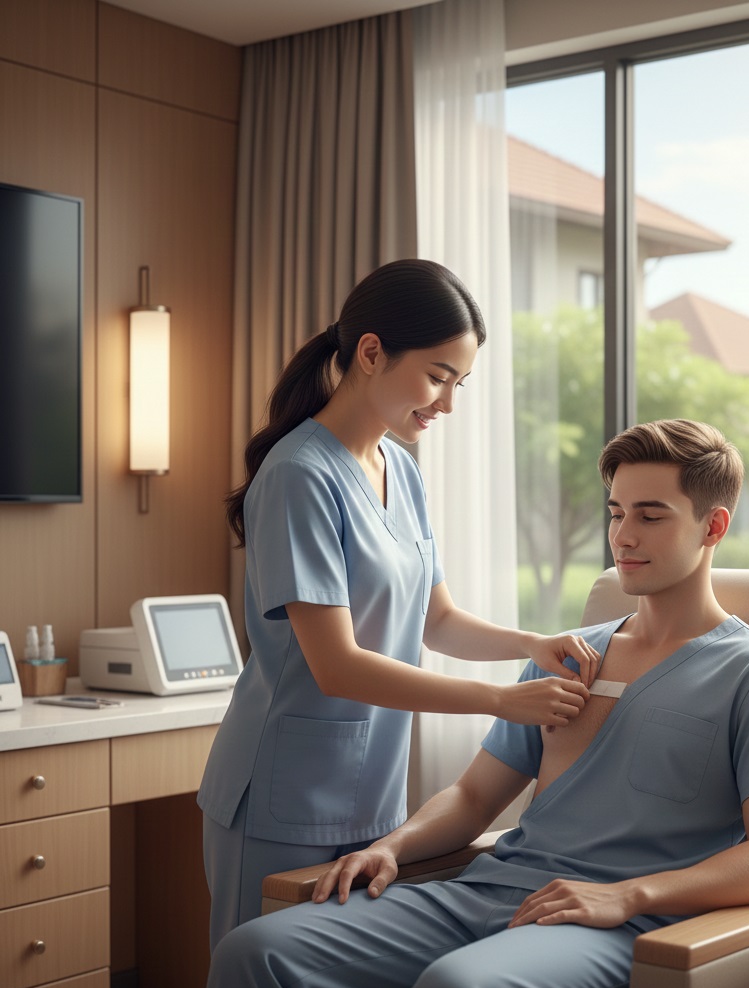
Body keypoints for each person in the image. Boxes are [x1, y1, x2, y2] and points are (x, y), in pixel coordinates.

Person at [203, 418, 749, 988]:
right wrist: (388, 847)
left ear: (713, 526)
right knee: (253, 955)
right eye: (616, 513)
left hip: (616, 924)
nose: (623, 536)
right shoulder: (567, 656)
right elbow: (475, 796)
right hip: (487, 892)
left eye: (651, 515)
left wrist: (630, 896)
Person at [198, 259, 600, 949]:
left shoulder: (399, 468)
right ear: (371, 352)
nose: (446, 403)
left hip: (371, 797)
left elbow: (435, 619)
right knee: (256, 980)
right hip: (280, 797)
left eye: (458, 384)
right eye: (438, 376)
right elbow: (339, 668)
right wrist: (500, 701)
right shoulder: (299, 476)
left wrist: (529, 645)